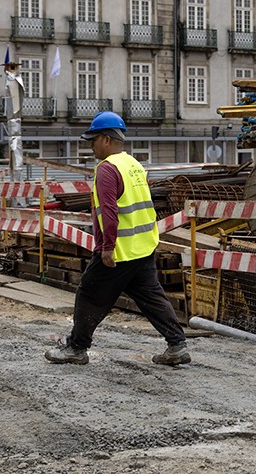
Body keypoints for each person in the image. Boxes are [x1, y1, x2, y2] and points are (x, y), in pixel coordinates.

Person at [45, 111, 191, 366]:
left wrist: (107, 248)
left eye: (93, 140)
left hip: (119, 251)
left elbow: (109, 212)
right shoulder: (134, 165)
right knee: (152, 297)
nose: (91, 146)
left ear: (106, 140)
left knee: (89, 293)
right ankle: (177, 345)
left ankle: (76, 349)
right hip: (143, 246)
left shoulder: (107, 169)